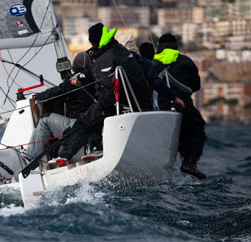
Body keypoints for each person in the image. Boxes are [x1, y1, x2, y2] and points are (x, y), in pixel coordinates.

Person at [58, 23, 153, 161]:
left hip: (119, 104)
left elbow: (109, 91)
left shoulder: (106, 57)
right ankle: (95, 147)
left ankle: (64, 156)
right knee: (92, 115)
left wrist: (98, 105)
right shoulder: (118, 49)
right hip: (138, 102)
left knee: (85, 121)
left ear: (94, 41)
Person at [152, 33, 207, 179]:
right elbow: (196, 86)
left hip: (161, 110)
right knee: (197, 130)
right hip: (184, 107)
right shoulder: (186, 61)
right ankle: (189, 162)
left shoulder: (153, 64)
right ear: (175, 46)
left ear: (159, 47)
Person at [26, 52, 96, 162]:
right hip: (93, 125)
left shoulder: (74, 80)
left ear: (74, 66)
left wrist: (38, 96)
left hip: (78, 125)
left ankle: (30, 158)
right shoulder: (96, 77)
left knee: (45, 119)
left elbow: (56, 92)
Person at [116, 34, 185, 109]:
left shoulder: (113, 62)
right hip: (142, 105)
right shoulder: (143, 63)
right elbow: (156, 82)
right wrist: (173, 97)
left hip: (119, 105)